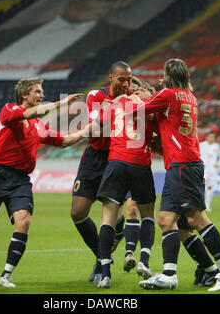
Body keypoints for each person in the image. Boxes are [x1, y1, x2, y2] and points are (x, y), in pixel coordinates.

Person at [0, 77, 88, 288]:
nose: (42, 95)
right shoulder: (9, 110)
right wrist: (63, 103)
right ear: (25, 95)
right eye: (38, 92)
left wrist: (89, 130)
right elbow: (32, 112)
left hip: (20, 180)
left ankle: (6, 275)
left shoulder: (40, 126)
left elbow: (64, 141)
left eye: (42, 92)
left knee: (24, 221)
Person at [138, 58, 220, 291]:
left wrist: (133, 99)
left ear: (167, 75)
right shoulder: (190, 98)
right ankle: (170, 274)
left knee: (196, 219)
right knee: (167, 221)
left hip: (184, 164)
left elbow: (139, 110)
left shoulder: (168, 95)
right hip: (182, 164)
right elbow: (167, 119)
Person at [70, 61, 133, 284]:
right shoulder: (96, 95)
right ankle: (101, 254)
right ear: (111, 77)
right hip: (94, 158)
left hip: (117, 157)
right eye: (122, 79)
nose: (126, 84)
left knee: (112, 214)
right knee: (77, 213)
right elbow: (99, 125)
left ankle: (101, 263)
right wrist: (119, 105)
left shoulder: (132, 96)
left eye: (129, 79)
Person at [94, 85, 157, 288]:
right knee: (147, 215)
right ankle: (144, 262)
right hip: (139, 163)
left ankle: (104, 274)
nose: (139, 91)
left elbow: (97, 127)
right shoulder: (148, 105)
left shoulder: (115, 105)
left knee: (108, 220)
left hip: (115, 164)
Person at [200, 132, 220, 211]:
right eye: (210, 137)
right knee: (201, 186)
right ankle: (200, 203)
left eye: (213, 137)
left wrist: (218, 164)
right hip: (203, 169)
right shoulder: (201, 145)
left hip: (213, 170)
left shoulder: (216, 146)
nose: (212, 138)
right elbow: (196, 155)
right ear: (206, 137)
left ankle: (207, 204)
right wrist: (199, 163)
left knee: (210, 187)